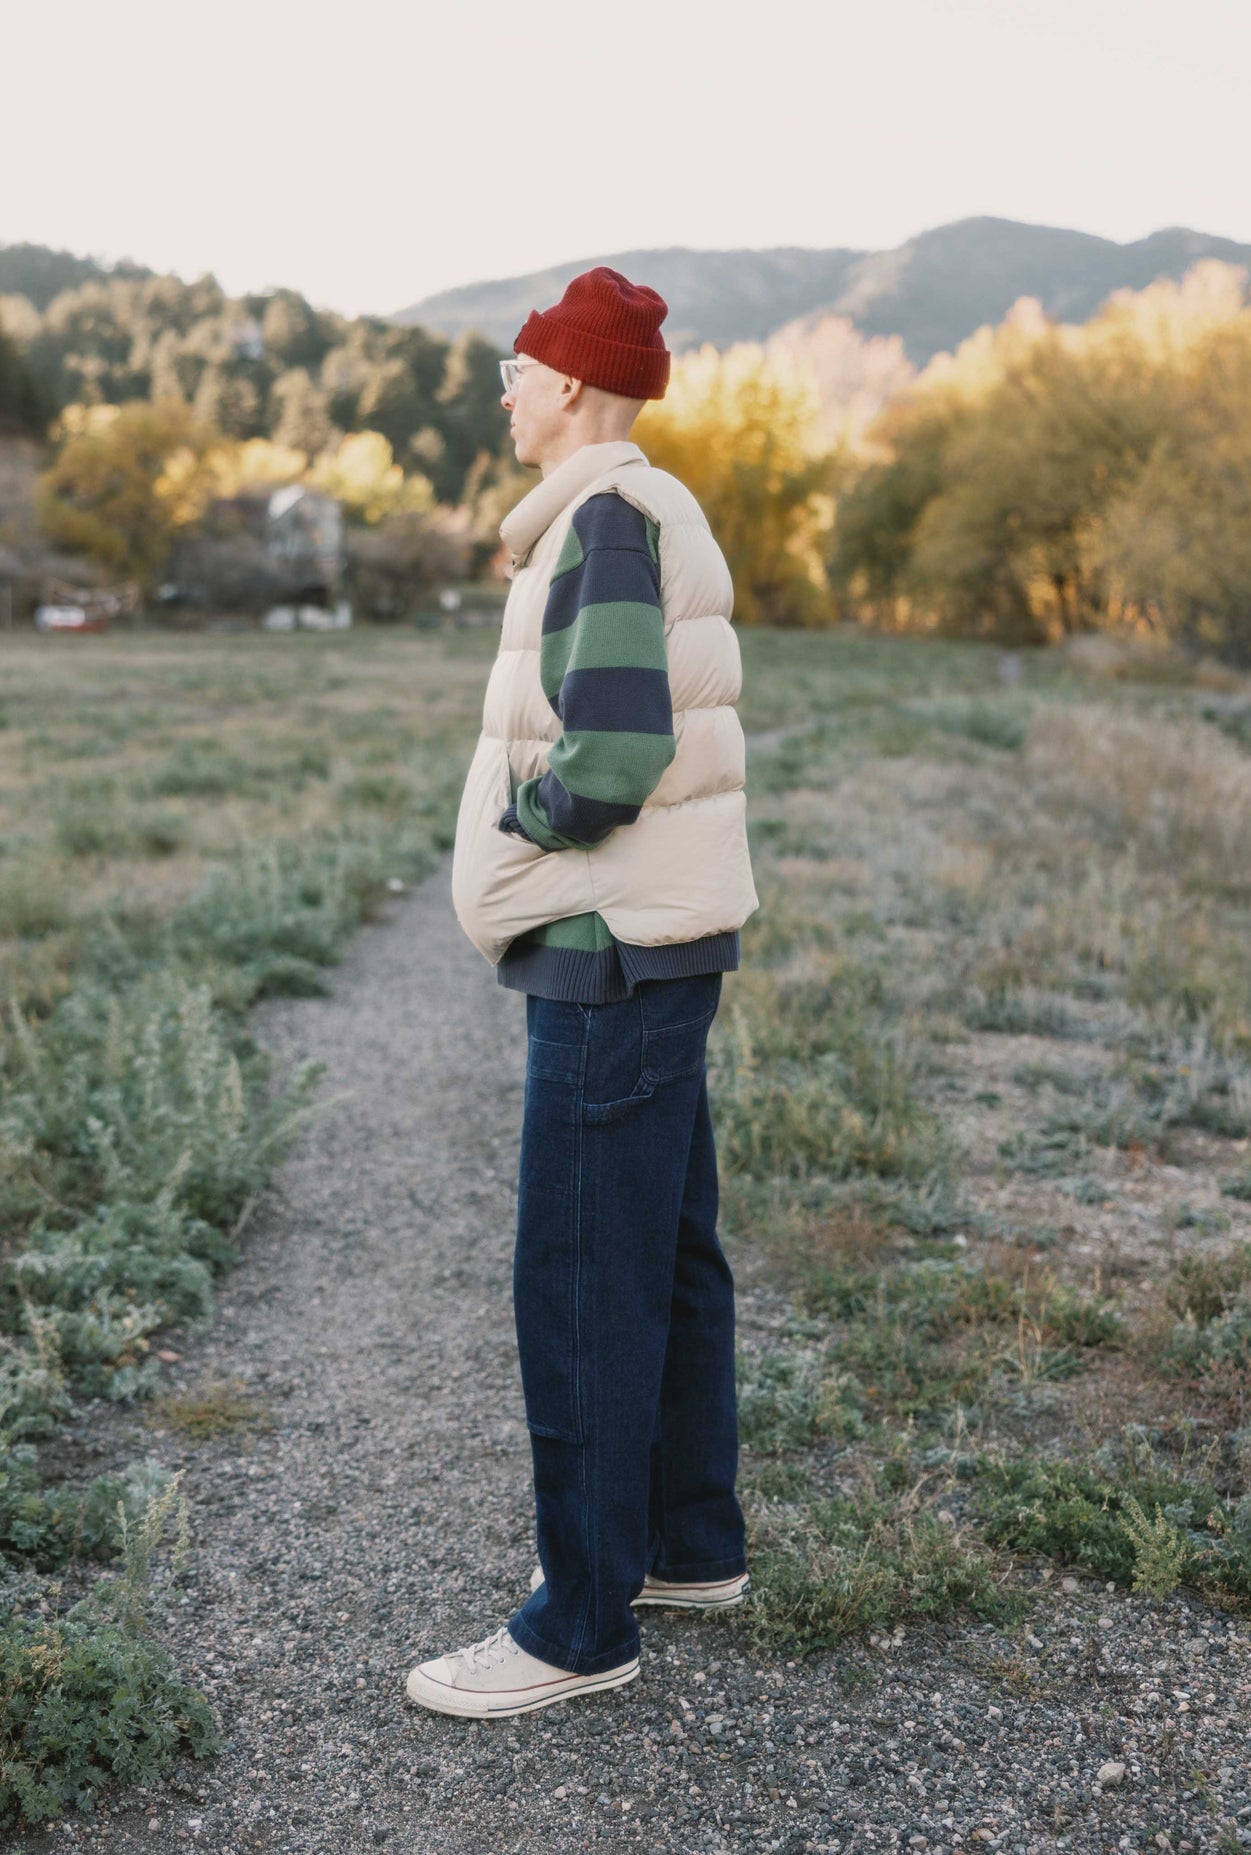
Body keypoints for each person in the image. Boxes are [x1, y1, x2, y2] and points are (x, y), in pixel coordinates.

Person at [406, 266, 759, 1719]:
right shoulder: (630, 512)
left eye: (516, 368)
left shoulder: (604, 521)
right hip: (655, 953)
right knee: (667, 1259)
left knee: (582, 1281)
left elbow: (613, 754)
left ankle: (578, 1627)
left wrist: (521, 827)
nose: (502, 389)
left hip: (609, 950)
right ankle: (682, 1547)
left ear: (569, 386)